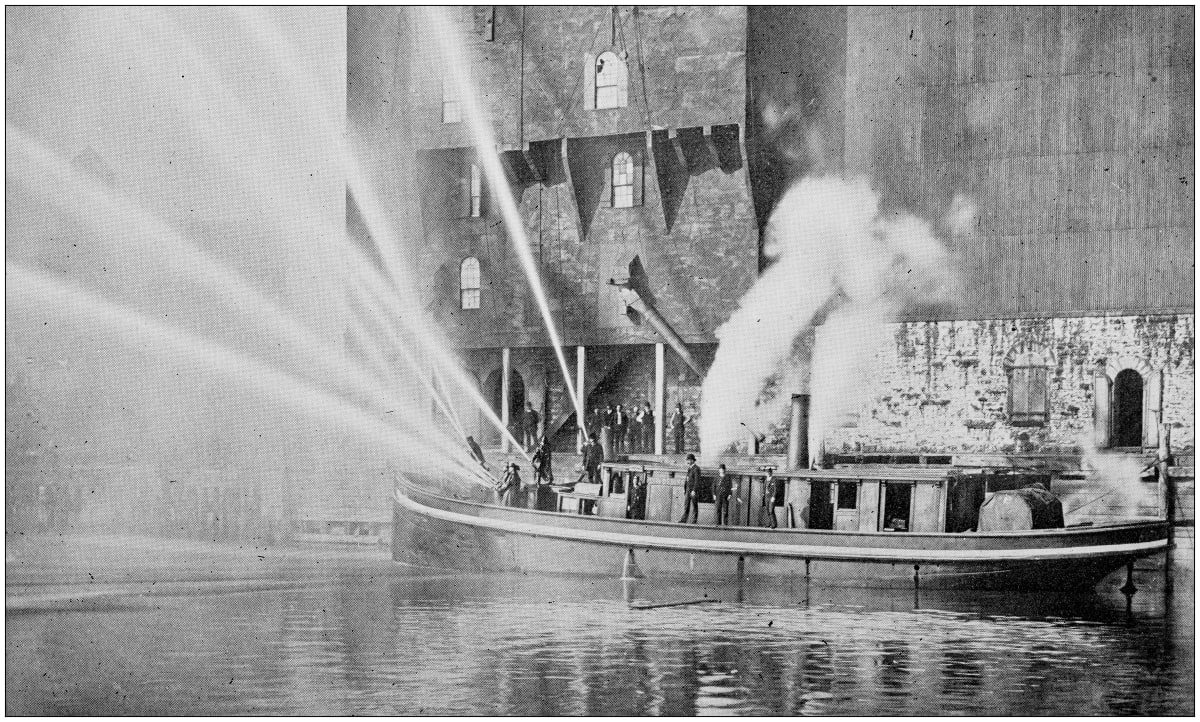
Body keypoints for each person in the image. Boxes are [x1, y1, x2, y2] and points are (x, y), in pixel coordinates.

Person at [679, 453, 701, 523]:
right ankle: (684, 519)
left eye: (688, 460)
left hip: (693, 491)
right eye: (687, 460)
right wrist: (685, 489)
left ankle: (694, 520)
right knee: (686, 505)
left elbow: (697, 481)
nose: (687, 462)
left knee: (694, 505)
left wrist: (694, 490)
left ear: (692, 460)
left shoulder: (696, 469)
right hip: (688, 490)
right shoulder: (690, 468)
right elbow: (687, 479)